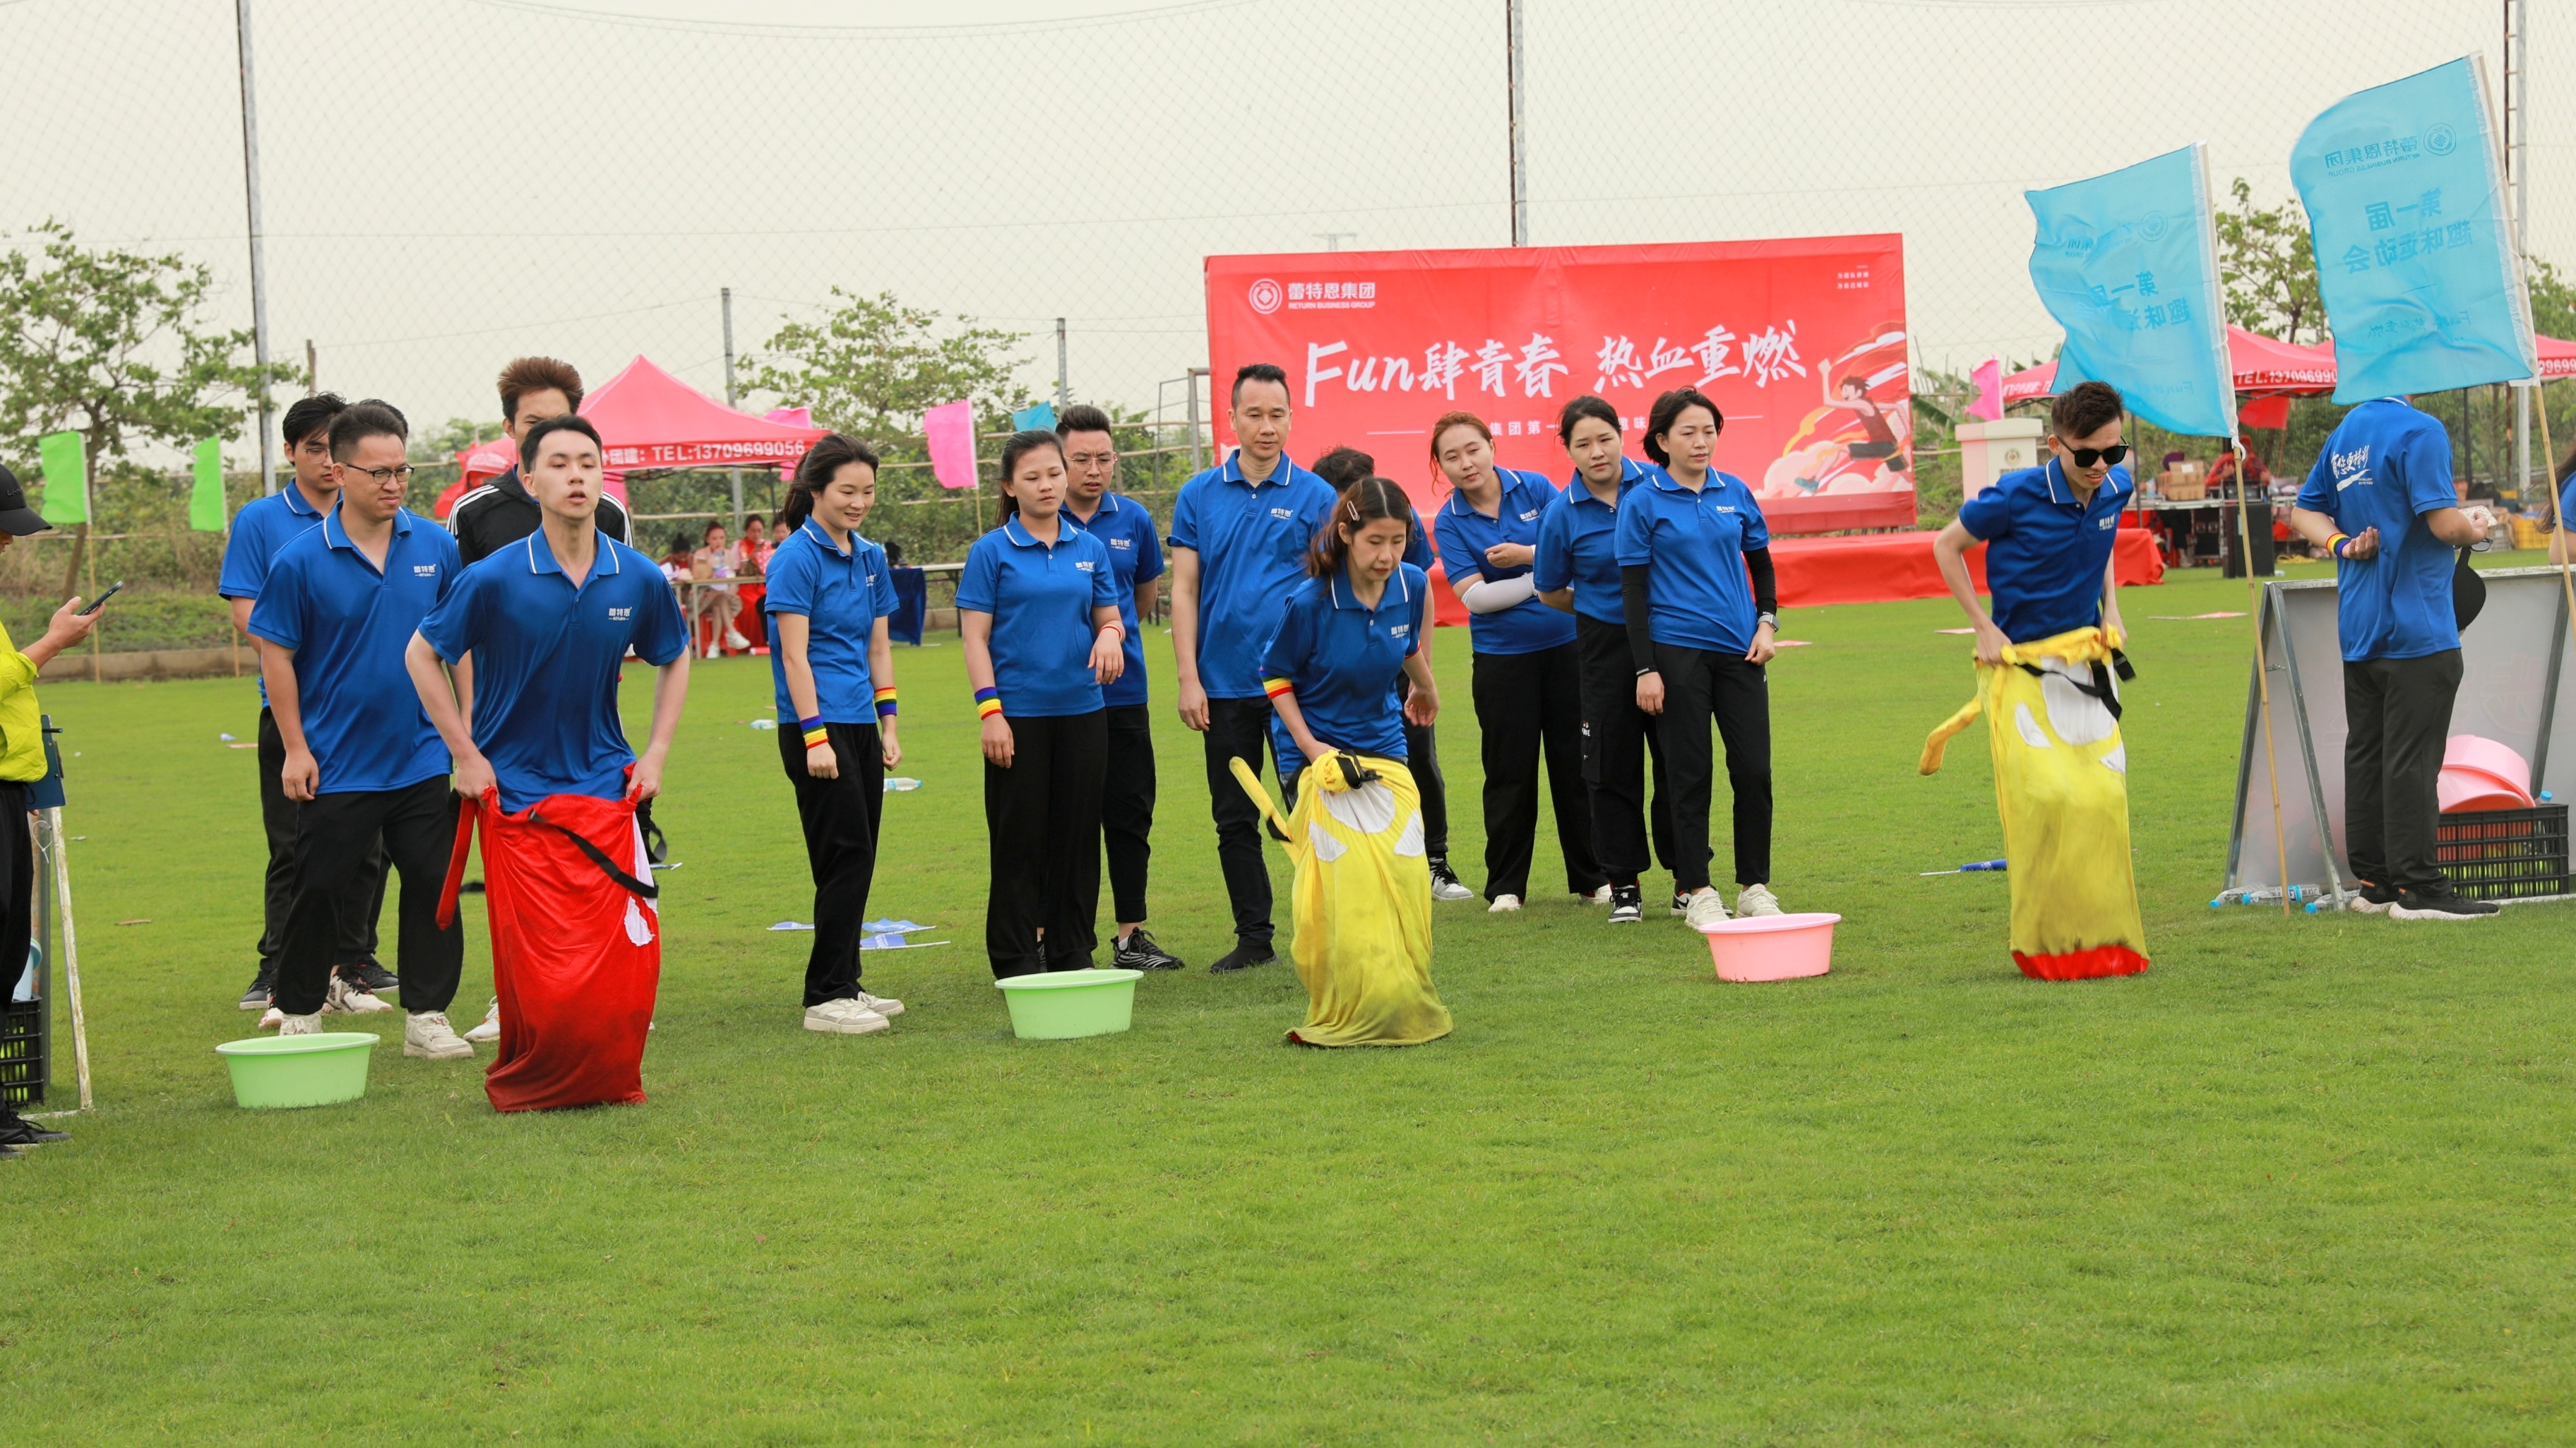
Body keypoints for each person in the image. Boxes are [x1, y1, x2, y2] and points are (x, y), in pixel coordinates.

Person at [410, 415, 691, 1103]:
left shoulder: (638, 576)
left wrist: (655, 751)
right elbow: (422, 653)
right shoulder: (495, 577)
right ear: (529, 480)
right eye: (559, 463)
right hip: (517, 793)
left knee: (619, 955)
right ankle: (537, 1079)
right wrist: (466, 755)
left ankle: (607, 1077)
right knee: (538, 965)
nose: (576, 475)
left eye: (589, 463)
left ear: (603, 477)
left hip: (606, 785)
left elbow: (675, 654)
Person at [251, 402, 475, 1053]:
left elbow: (457, 644)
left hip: (424, 757)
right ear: (339, 471)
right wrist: (295, 748)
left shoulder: (436, 545)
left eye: (401, 470)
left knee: (434, 890)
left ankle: (427, 1017)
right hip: (338, 762)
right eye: (378, 472)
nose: (393, 484)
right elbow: (277, 656)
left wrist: (467, 737)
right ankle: (298, 1009)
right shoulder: (299, 560)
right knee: (319, 889)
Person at [1928, 379, 2147, 979]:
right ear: (2056, 445)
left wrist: (2113, 609)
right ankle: (2046, 942)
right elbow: (1947, 548)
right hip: (2020, 668)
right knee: (2049, 798)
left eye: (2114, 451)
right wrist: (1981, 627)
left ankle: (2103, 940)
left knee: (2103, 798)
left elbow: (2102, 548)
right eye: (2087, 455)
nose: (2101, 466)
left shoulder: (2115, 487)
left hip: (2086, 665)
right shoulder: (2012, 497)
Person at [215, 391, 397, 1015]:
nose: (324, 461)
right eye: (312, 448)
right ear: (289, 452)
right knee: (294, 841)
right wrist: (305, 645)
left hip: (374, 714)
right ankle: (278, 967)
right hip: (298, 711)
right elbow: (247, 611)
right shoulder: (263, 522)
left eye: (332, 448)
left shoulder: (384, 518)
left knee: (371, 844)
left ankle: (355, 960)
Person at [1252, 475, 1450, 1048]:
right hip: (1315, 757)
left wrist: (1426, 688)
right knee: (1350, 892)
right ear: (1346, 534)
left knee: (1406, 875)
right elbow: (1275, 676)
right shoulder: (1311, 601)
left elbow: (1406, 642)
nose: (1388, 555)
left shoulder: (1410, 583)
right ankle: (1349, 1006)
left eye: (1398, 540)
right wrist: (1313, 751)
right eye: (1375, 542)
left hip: (1384, 748)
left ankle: (1402, 1000)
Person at [2288, 396, 2500, 922]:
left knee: (2369, 755)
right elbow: (2443, 526)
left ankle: (2376, 881)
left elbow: (2302, 511)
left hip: (2361, 626)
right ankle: (2419, 888)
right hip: (2419, 627)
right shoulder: (2421, 429)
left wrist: (2339, 544)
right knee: (2412, 759)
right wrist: (2475, 527)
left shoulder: (2348, 431)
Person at [1167, 363, 1339, 973]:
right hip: (1224, 684)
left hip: (1298, 684)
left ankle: (1329, 931)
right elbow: (1183, 591)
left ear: (1291, 418)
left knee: (1314, 807)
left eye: (1278, 415)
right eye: (1255, 415)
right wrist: (1189, 676)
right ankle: (1255, 939)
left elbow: (1330, 589)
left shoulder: (1318, 496)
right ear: (1233, 419)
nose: (1267, 427)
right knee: (1234, 816)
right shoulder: (1198, 494)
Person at [1616, 387, 1784, 930]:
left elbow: (1761, 566)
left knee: (1754, 772)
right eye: (1688, 432)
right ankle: (1698, 889)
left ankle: (1755, 885)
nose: (1701, 441)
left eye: (1709, 430)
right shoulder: (1642, 500)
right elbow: (1633, 593)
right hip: (1677, 652)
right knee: (1689, 775)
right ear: (1662, 440)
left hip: (1741, 653)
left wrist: (1767, 623)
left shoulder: (1734, 491)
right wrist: (1646, 668)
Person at [959, 430, 1125, 979]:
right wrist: (991, 713)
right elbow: (975, 639)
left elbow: (1109, 616)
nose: (1047, 485)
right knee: (1019, 839)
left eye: (1054, 473)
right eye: (1032, 477)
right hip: (1017, 719)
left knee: (1078, 838)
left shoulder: (1090, 548)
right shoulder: (990, 552)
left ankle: (1073, 951)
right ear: (1010, 486)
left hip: (1083, 713)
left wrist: (1110, 636)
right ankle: (1013, 959)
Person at [1429, 411, 1605, 912]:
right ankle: (1507, 887)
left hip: (1570, 648)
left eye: (1473, 449)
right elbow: (1477, 599)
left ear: (1492, 444)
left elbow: (1574, 552)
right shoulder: (1451, 520)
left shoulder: (1537, 488)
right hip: (1502, 661)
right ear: (1441, 466)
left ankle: (1593, 879)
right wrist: (1542, 573)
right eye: (1452, 457)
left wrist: (1528, 557)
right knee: (1509, 773)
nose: (1466, 463)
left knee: (1578, 767)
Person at [765, 434, 907, 1034]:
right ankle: (825, 994)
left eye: (868, 492)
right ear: (815, 489)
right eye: (847, 491)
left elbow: (877, 645)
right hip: (813, 726)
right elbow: (794, 658)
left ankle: (846, 980)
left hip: (860, 724)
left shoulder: (871, 556)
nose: (858, 502)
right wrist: (815, 737)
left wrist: (889, 722)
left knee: (858, 855)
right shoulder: (795, 557)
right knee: (845, 853)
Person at [1534, 395, 1681, 925]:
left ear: (1623, 436)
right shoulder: (1561, 512)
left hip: (1669, 639)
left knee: (1676, 759)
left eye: (1605, 439)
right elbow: (1549, 588)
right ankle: (1624, 885)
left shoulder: (1660, 486)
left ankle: (1689, 879)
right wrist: (1599, 608)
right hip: (1601, 647)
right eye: (1582, 444)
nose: (1597, 452)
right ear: (1568, 451)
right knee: (1610, 765)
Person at [1309, 445, 1474, 903]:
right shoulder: (1320, 531)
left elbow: (1416, 592)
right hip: (1335, 674)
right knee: (1341, 767)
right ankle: (1357, 870)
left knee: (1418, 760)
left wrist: (1421, 674)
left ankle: (1435, 862)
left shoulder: (1398, 522)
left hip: (1397, 663)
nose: (1384, 548)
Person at [1056, 405, 1183, 971]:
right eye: (1080, 458)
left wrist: (1112, 639)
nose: (1094, 469)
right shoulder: (1040, 520)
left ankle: (1131, 936)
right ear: (1057, 462)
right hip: (1057, 698)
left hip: (1124, 691)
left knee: (1130, 813)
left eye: (1104, 458)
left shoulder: (1131, 520)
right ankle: (1058, 936)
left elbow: (1143, 597)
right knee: (1066, 819)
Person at [0, 465, 100, 1156]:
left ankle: (3, 1115)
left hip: (12, 786)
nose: (9, 542)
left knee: (8, 950)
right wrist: (50, 646)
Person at [448, 356, 633, 564]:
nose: (547, 433)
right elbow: (457, 593)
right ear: (510, 427)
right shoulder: (473, 510)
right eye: (534, 423)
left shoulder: (608, 511)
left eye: (558, 421)